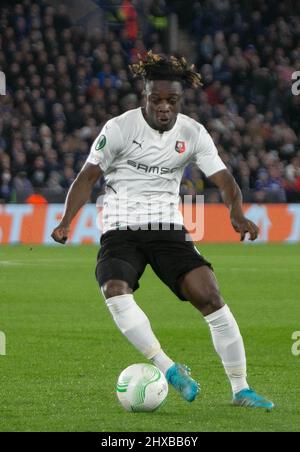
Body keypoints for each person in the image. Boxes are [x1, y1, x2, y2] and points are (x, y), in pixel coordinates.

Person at [51, 51, 274, 409]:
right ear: (145, 97)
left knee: (210, 296)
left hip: (167, 228)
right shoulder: (119, 128)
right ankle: (168, 368)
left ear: (180, 100)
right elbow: (87, 176)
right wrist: (66, 222)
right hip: (120, 228)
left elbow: (225, 179)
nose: (164, 107)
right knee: (114, 289)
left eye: (172, 100)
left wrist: (237, 212)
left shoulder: (193, 132)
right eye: (156, 99)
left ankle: (241, 389)